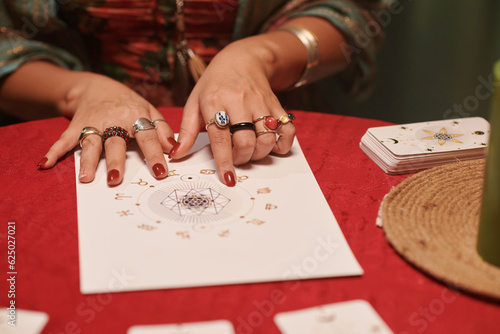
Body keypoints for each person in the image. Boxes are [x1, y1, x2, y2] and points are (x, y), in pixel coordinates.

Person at [0, 0, 387, 187]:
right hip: (92, 128)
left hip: (268, 125)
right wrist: (79, 90)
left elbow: (354, 14)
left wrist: (258, 56)